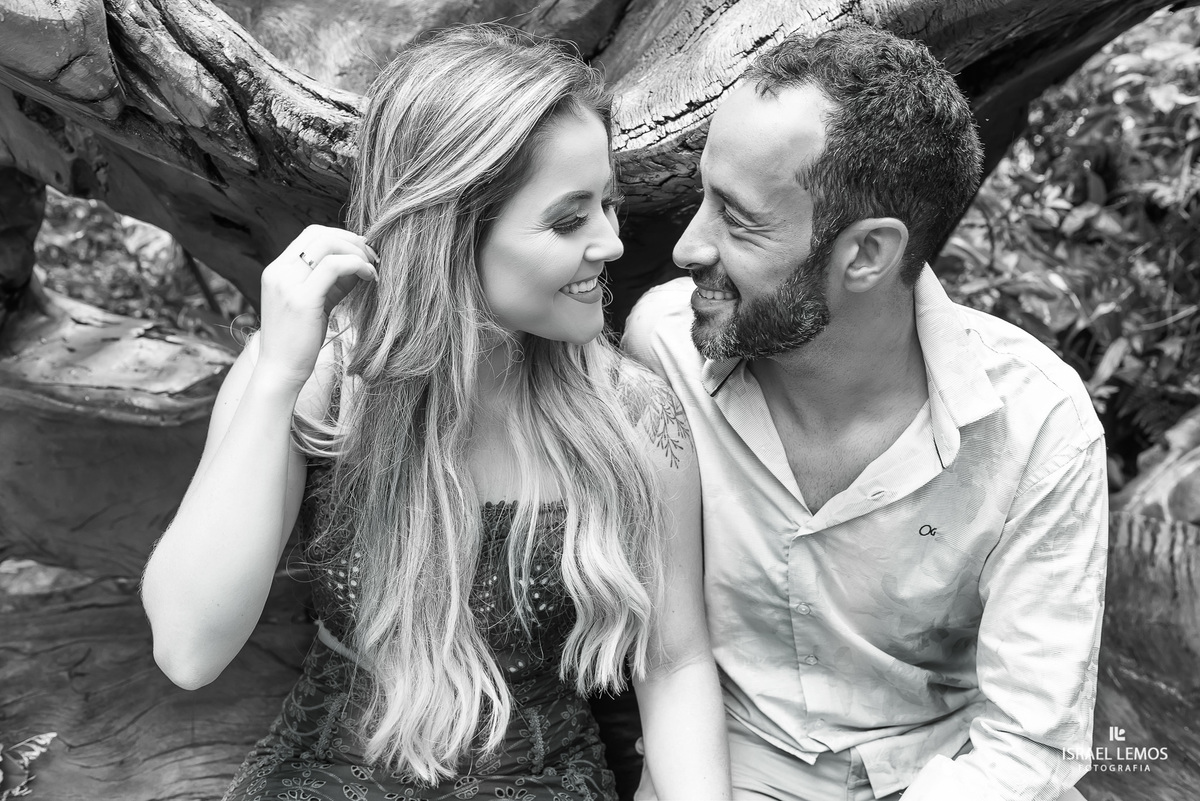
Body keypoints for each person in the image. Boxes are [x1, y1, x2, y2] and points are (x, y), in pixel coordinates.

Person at [141, 24, 731, 801]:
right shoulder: (325, 379)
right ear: (451, 228)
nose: (613, 243)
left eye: (608, 205)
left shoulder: (632, 413)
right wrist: (278, 371)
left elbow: (676, 662)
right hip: (328, 776)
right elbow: (189, 648)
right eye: (568, 218)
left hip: (541, 780)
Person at [623, 23, 1106, 801]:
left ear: (868, 254)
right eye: (701, 197)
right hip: (732, 762)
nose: (685, 247)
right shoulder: (664, 349)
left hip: (957, 771)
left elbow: (1028, 742)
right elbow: (665, 653)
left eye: (737, 218)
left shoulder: (1038, 424)